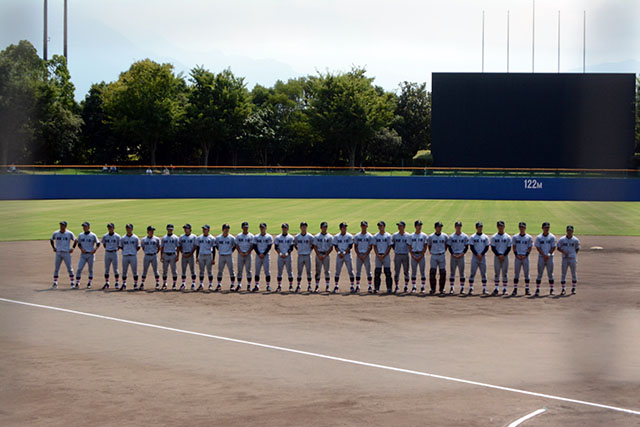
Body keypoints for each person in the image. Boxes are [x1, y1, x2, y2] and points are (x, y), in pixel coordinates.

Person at [50, 221, 76, 289]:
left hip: (66, 253)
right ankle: (55, 283)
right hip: (58, 253)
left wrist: (72, 248)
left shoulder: (69, 233)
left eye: (63, 225)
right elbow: (51, 239)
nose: (61, 226)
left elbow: (75, 240)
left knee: (69, 268)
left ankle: (72, 282)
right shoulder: (56, 233)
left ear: (65, 226)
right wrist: (53, 247)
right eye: (61, 225)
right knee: (56, 268)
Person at [74, 221, 100, 289]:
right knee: (79, 268)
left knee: (90, 269)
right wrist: (81, 249)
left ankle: (89, 283)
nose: (84, 228)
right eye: (83, 226)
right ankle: (77, 282)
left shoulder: (93, 235)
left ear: (89, 227)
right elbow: (79, 244)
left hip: (90, 255)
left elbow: (98, 243)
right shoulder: (80, 235)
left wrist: (95, 249)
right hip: (83, 255)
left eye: (85, 226)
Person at [534, 222, 557, 296]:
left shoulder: (552, 237)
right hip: (541, 257)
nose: (546, 229)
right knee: (539, 274)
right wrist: (544, 255)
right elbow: (538, 247)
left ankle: (552, 289)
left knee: (550, 274)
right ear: (542, 228)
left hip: (550, 257)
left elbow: (553, 247)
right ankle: (537, 289)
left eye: (548, 227)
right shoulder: (539, 237)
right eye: (545, 227)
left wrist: (548, 254)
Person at [557, 225, 580, 295]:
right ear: (566, 231)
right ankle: (563, 289)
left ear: (573, 231)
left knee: (574, 273)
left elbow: (577, 248)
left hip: (573, 258)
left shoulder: (576, 240)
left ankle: (574, 288)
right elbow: (558, 247)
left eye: (570, 231)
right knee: (563, 273)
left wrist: (573, 254)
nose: (569, 232)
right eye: (568, 230)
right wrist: (564, 252)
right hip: (565, 258)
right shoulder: (562, 239)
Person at [490, 220, 512, 295]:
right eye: (499, 226)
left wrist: (503, 255)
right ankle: (496, 288)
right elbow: (493, 247)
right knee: (497, 273)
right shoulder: (494, 237)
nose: (500, 227)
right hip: (497, 257)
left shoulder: (508, 237)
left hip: (505, 257)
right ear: (497, 227)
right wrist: (499, 255)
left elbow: (509, 248)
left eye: (502, 226)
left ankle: (504, 289)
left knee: (505, 273)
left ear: (504, 227)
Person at [447, 221, 469, 294]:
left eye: (459, 226)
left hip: (461, 256)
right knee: (452, 272)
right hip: (453, 256)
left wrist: (462, 254)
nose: (458, 227)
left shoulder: (465, 236)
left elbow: (466, 247)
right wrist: (452, 254)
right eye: (457, 226)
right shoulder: (451, 236)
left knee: (462, 273)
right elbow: (449, 246)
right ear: (455, 227)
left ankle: (462, 288)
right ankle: (452, 288)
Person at [468, 222, 490, 295]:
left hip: (482, 257)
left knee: (483, 273)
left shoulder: (485, 237)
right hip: (475, 257)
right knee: (472, 273)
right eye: (479, 227)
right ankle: (471, 288)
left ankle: (484, 289)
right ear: (476, 228)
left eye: (481, 227)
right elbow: (471, 247)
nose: (480, 228)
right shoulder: (473, 237)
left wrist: (481, 254)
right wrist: (477, 254)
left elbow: (487, 247)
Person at [512, 222, 533, 296]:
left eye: (523, 227)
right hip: (517, 257)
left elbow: (530, 247)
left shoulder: (529, 237)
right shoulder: (515, 237)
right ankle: (515, 289)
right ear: (519, 227)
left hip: (525, 257)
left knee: (526, 274)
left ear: (525, 228)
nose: (522, 228)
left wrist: (525, 255)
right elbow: (514, 247)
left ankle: (527, 289)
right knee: (516, 274)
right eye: (520, 227)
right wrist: (516, 255)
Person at [333, 222, 355, 293]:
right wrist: (339, 252)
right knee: (337, 271)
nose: (345, 228)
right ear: (340, 228)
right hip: (339, 255)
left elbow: (350, 246)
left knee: (350, 271)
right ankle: (336, 286)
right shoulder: (336, 236)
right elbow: (335, 246)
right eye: (343, 227)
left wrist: (345, 252)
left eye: (345, 227)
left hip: (347, 255)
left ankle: (352, 286)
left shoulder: (349, 236)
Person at [428, 221, 449, 295]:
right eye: (438, 227)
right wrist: (433, 251)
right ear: (435, 227)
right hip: (433, 255)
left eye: (440, 227)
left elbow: (446, 245)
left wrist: (442, 251)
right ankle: (433, 289)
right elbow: (429, 246)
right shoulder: (431, 236)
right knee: (432, 272)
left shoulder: (445, 236)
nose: (439, 228)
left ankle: (442, 289)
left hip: (442, 255)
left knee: (442, 272)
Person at [373, 221, 393, 293]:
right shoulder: (375, 236)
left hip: (386, 256)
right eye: (379, 226)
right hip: (378, 256)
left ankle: (389, 288)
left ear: (384, 226)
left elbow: (389, 246)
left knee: (387, 272)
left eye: (381, 226)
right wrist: (377, 254)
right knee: (377, 272)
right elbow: (374, 246)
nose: (380, 227)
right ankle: (376, 288)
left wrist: (384, 255)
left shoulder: (388, 236)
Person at [353, 221, 374, 293]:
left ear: (367, 226)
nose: (363, 227)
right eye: (362, 225)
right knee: (358, 272)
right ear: (360, 226)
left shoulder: (370, 236)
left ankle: (370, 286)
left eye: (365, 226)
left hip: (367, 255)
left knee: (369, 272)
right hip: (359, 255)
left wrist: (365, 255)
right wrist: (359, 255)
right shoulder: (357, 236)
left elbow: (370, 247)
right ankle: (358, 286)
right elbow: (355, 246)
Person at [313, 222, 333, 292]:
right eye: (323, 227)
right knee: (318, 271)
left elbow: (331, 247)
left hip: (326, 255)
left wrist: (325, 255)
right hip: (319, 255)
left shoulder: (330, 237)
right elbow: (314, 246)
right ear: (320, 228)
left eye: (326, 227)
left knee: (327, 271)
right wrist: (318, 255)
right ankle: (317, 286)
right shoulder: (316, 236)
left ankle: (327, 286)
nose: (325, 228)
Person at [409, 220, 428, 293]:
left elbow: (425, 246)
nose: (419, 227)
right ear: (415, 226)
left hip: (421, 255)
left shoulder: (424, 235)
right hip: (414, 254)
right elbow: (409, 246)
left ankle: (422, 287)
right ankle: (414, 287)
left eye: (420, 225)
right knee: (414, 272)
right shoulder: (411, 236)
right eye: (418, 225)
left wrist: (422, 255)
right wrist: (412, 255)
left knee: (422, 272)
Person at [195, 224, 216, 291]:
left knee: (209, 271)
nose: (204, 230)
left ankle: (210, 284)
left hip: (208, 255)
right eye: (203, 229)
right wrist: (197, 257)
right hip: (201, 255)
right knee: (201, 271)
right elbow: (197, 248)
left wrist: (213, 259)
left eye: (205, 229)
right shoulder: (199, 238)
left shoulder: (212, 238)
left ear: (208, 230)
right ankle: (201, 284)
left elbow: (214, 249)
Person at [119, 224, 140, 291]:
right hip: (125, 256)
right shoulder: (123, 238)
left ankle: (135, 284)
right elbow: (121, 246)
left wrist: (133, 251)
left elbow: (138, 247)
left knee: (134, 271)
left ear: (132, 229)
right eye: (127, 228)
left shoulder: (135, 238)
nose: (128, 230)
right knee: (124, 271)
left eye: (129, 228)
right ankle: (124, 284)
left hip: (133, 256)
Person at [274, 223, 295, 292]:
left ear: (288, 229)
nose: (284, 229)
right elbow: (276, 247)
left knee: (290, 271)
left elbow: (291, 247)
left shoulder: (291, 237)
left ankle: (291, 286)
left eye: (285, 228)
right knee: (279, 272)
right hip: (280, 256)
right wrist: (280, 253)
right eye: (283, 228)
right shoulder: (278, 237)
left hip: (288, 256)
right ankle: (279, 286)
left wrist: (286, 253)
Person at [294, 222, 314, 292]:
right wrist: (298, 250)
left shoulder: (310, 236)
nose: (304, 228)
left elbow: (313, 245)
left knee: (309, 271)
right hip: (300, 256)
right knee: (299, 271)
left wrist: (309, 250)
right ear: (300, 227)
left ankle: (309, 286)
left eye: (305, 226)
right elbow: (294, 244)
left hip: (308, 256)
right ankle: (298, 285)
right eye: (302, 226)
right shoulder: (297, 236)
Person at [253, 223, 273, 292]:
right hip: (258, 256)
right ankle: (256, 285)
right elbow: (254, 246)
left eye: (263, 227)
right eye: (261, 227)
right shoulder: (256, 237)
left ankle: (268, 286)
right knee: (257, 271)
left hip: (266, 256)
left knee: (267, 271)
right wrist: (259, 254)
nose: (262, 229)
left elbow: (269, 247)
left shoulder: (269, 237)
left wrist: (263, 254)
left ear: (266, 228)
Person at [216, 224, 236, 291]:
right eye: (225, 228)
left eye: (227, 228)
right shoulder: (218, 238)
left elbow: (235, 245)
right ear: (222, 229)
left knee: (231, 271)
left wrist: (231, 251)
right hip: (221, 256)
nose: (226, 230)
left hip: (229, 256)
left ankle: (232, 285)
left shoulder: (232, 238)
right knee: (220, 271)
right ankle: (219, 284)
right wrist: (220, 250)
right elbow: (216, 245)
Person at [235, 222, 254, 292]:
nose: (246, 228)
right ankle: (239, 285)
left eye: (247, 227)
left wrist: (248, 252)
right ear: (242, 228)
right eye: (244, 227)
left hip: (248, 255)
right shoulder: (238, 236)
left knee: (248, 270)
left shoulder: (251, 236)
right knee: (239, 270)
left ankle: (249, 285)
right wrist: (240, 252)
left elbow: (252, 245)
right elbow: (236, 245)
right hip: (240, 255)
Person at [392, 221, 411, 293]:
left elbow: (409, 245)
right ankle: (397, 286)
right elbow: (393, 245)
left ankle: (406, 286)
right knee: (397, 271)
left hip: (405, 255)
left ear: (404, 227)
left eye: (401, 226)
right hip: (397, 255)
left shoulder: (408, 236)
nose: (399, 227)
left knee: (406, 271)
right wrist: (397, 250)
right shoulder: (395, 235)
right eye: (398, 226)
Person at [140, 226, 160, 290]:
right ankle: (142, 283)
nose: (152, 232)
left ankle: (157, 283)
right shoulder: (143, 239)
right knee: (145, 270)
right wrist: (147, 252)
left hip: (154, 256)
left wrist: (155, 252)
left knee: (156, 270)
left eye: (153, 231)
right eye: (151, 231)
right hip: (147, 256)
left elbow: (159, 247)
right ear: (147, 231)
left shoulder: (157, 239)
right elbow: (143, 247)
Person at [101, 223, 121, 289]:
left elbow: (119, 245)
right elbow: (104, 244)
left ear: (113, 228)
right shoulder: (105, 236)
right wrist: (108, 249)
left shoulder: (117, 236)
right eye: (109, 227)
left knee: (115, 269)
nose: (110, 229)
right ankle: (107, 283)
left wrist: (114, 250)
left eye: (111, 227)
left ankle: (117, 283)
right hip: (107, 253)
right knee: (106, 269)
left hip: (114, 253)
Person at [160, 224, 180, 290]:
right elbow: (162, 247)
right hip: (165, 255)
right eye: (169, 229)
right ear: (167, 229)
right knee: (164, 270)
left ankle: (174, 284)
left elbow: (178, 247)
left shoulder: (175, 237)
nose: (170, 230)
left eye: (171, 229)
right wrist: (161, 256)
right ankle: (164, 283)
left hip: (172, 255)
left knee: (173, 270)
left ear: (172, 229)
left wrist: (177, 256)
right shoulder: (164, 238)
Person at [178, 224, 197, 290]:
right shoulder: (181, 237)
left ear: (190, 229)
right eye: (185, 228)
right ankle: (183, 284)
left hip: (191, 255)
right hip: (184, 255)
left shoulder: (194, 237)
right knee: (183, 270)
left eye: (187, 228)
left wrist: (190, 253)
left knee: (193, 270)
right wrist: (182, 253)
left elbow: (195, 246)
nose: (186, 230)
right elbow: (179, 246)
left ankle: (193, 284)